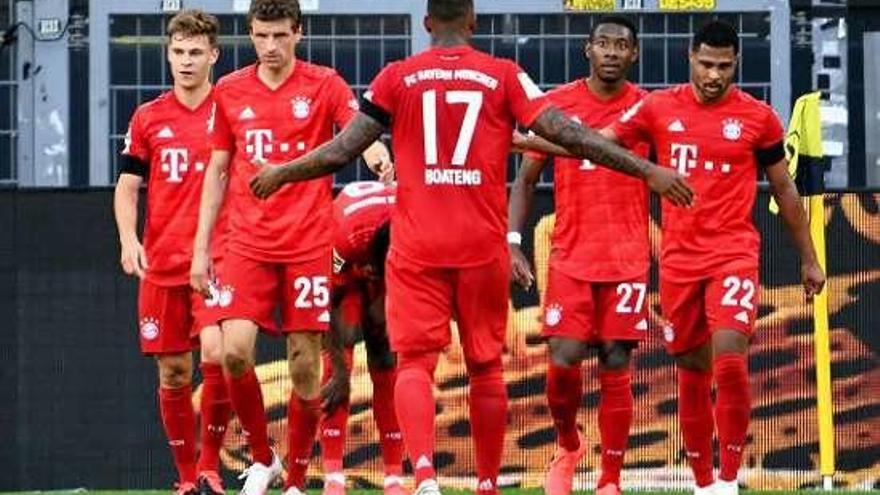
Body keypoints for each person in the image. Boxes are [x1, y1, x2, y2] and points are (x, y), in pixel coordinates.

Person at [248, 1, 694, 494]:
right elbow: (572, 134)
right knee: (485, 367)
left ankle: (423, 478)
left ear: (425, 23)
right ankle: (485, 484)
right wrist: (645, 168)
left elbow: (342, 149)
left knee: (414, 363)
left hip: (417, 245)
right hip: (482, 246)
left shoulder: (397, 77)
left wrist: (282, 172)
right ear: (474, 23)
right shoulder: (503, 75)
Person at [604, 20, 826, 495]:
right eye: (706, 63)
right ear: (690, 58)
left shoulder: (757, 117)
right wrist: (531, 141)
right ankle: (703, 483)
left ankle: (728, 479)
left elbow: (784, 189)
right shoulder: (659, 107)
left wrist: (808, 258)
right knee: (691, 368)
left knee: (729, 359)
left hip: (733, 253)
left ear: (736, 65)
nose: (714, 75)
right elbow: (599, 142)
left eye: (724, 66)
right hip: (680, 262)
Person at [188, 1, 392, 494]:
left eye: (280, 35)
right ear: (251, 35)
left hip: (307, 243)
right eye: (261, 36)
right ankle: (264, 458)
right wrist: (200, 249)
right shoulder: (231, 90)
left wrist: (376, 153)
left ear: (298, 33)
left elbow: (357, 130)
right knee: (233, 354)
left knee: (305, 366)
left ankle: (298, 480)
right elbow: (218, 171)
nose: (270, 46)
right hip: (247, 243)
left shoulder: (324, 84)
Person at [508, 16, 648, 495]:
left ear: (634, 54)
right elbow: (525, 180)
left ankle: (610, 481)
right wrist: (513, 241)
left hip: (628, 259)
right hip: (570, 256)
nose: (611, 52)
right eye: (603, 43)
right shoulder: (560, 104)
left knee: (615, 361)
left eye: (621, 45)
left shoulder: (646, 109)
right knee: (563, 359)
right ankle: (568, 444)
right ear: (587, 50)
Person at [113, 10, 231, 495]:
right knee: (174, 369)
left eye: (195, 52)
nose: (185, 61)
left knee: (220, 354)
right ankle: (186, 479)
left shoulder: (230, 109)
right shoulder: (148, 116)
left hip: (218, 257)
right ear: (168, 53)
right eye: (178, 51)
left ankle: (210, 468)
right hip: (162, 261)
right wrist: (128, 239)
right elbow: (127, 186)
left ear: (214, 55)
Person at [319, 180, 407, 495]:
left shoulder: (415, 228)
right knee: (337, 356)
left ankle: (394, 476)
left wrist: (385, 305)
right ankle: (333, 476)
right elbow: (326, 303)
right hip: (346, 257)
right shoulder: (346, 235)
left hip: (391, 257)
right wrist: (342, 376)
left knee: (385, 353)